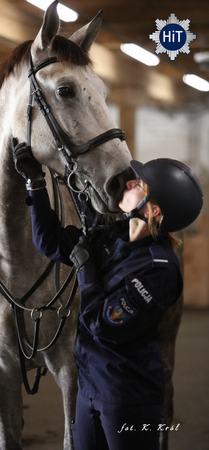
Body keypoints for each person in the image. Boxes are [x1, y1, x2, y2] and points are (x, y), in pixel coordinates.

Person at [12, 139, 203, 450]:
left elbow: (104, 323)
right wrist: (35, 184)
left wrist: (87, 271)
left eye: (138, 185)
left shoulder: (158, 269)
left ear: (152, 209)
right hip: (89, 390)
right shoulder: (112, 237)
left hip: (129, 399)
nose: (128, 184)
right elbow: (50, 242)